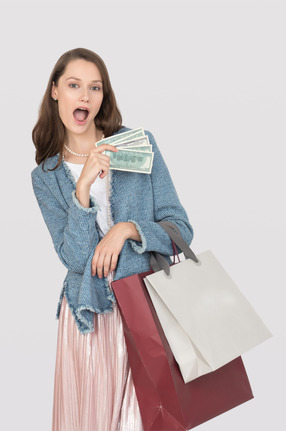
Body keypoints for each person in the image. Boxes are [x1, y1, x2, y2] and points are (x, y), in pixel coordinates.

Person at [31, 47, 193, 431]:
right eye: (74, 85)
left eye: (95, 87)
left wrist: (127, 230)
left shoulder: (137, 145)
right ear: (56, 91)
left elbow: (180, 230)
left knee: (148, 421)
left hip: (145, 309)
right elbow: (75, 258)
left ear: (103, 96)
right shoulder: (47, 175)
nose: (84, 96)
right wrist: (83, 188)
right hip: (90, 316)